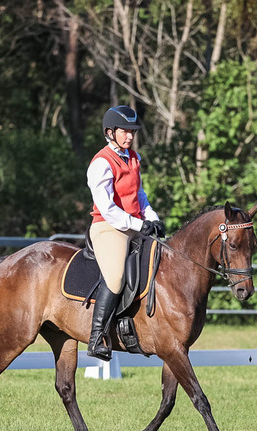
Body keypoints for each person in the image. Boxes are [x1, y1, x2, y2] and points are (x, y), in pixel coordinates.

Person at [85, 105, 165, 360]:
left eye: (132, 132)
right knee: (116, 277)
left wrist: (152, 218)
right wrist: (139, 225)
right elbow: (107, 208)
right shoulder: (101, 163)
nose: (130, 136)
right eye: (125, 131)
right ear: (110, 132)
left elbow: (139, 195)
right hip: (109, 228)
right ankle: (97, 337)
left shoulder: (133, 158)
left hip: (133, 225)